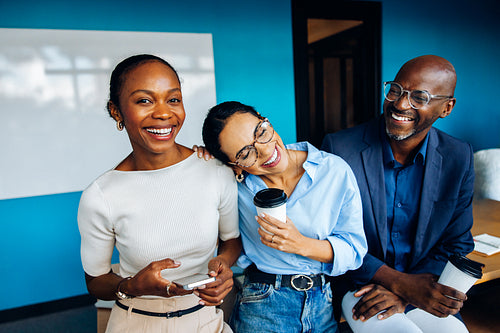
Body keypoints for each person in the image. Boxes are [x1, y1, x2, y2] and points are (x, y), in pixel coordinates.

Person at [77, 54, 241, 333]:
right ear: (116, 111)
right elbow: (96, 282)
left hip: (205, 320)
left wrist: (223, 265)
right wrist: (129, 286)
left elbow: (231, 241)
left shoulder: (214, 171)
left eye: (173, 99)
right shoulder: (100, 195)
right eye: (144, 100)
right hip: (136, 321)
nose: (164, 113)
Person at [321, 55, 474, 333]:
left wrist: (409, 291)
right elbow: (330, 238)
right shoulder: (340, 149)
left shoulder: (458, 155)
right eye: (395, 90)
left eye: (420, 97)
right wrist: (400, 283)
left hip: (425, 284)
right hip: (360, 284)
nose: (401, 104)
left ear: (446, 108)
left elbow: (457, 243)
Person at [200, 101, 367, 332]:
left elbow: (355, 250)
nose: (266, 151)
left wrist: (301, 245)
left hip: (323, 305)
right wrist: (199, 160)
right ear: (234, 165)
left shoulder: (333, 171)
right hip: (262, 306)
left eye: (261, 132)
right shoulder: (234, 185)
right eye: (246, 153)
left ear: (262, 118)